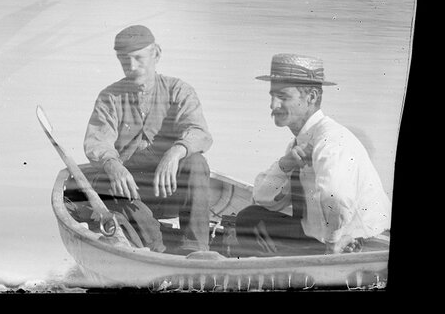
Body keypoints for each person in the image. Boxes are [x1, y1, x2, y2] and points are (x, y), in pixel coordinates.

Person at [72, 24, 217, 254]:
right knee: (105, 181)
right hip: (129, 189)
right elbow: (96, 142)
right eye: (124, 60)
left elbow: (199, 132)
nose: (131, 67)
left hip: (169, 189)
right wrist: (113, 165)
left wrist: (175, 152)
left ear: (156, 53)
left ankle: (196, 249)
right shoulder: (109, 97)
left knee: (196, 163)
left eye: (139, 58)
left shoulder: (179, 90)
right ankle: (156, 250)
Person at [228, 54, 391, 256]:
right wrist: (284, 164)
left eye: (283, 97)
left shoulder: (330, 141)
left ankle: (290, 273)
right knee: (250, 218)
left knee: (249, 222)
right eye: (272, 96)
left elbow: (337, 198)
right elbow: (263, 198)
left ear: (311, 97)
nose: (273, 105)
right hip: (323, 236)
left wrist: (333, 243)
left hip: (363, 242)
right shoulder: (301, 143)